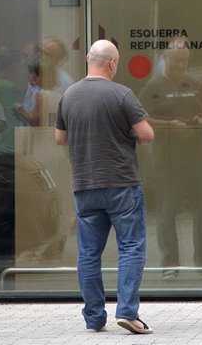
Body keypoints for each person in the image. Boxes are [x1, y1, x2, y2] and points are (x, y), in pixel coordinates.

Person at [55, 39, 155, 334]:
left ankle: (94, 318)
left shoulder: (69, 95)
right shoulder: (121, 94)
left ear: (88, 59)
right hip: (122, 183)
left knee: (88, 253)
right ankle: (127, 312)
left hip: (84, 184)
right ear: (112, 63)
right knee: (131, 247)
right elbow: (146, 134)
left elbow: (60, 139)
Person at [138, 42, 202, 279]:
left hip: (197, 155)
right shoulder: (153, 86)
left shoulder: (194, 84)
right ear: (165, 58)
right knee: (167, 210)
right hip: (167, 157)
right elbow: (141, 119)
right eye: (176, 60)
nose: (181, 64)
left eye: (184, 60)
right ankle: (170, 262)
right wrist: (168, 126)